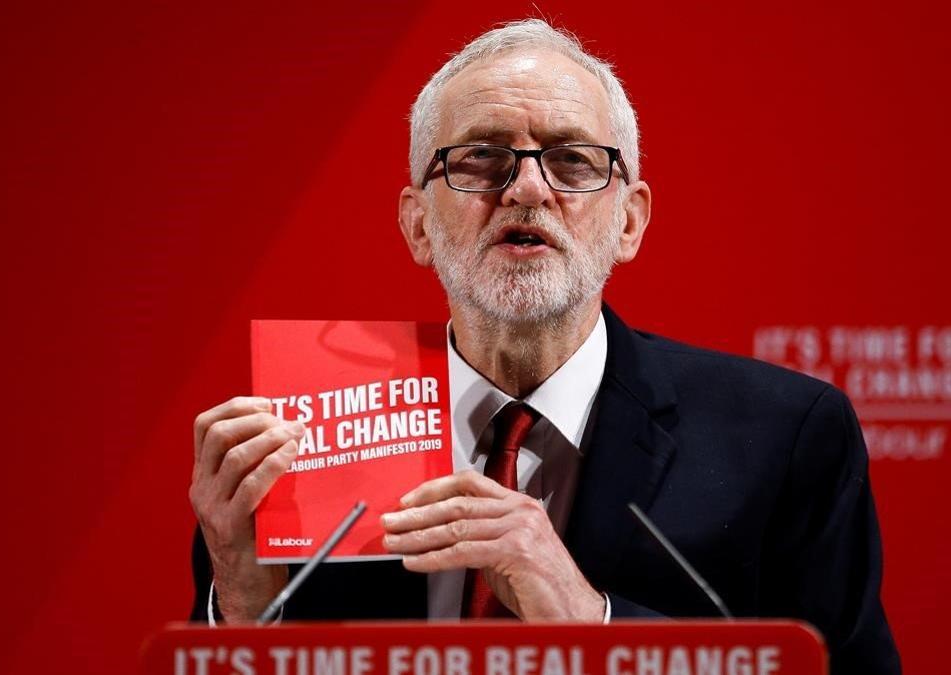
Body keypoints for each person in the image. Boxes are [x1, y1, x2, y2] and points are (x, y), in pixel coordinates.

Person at [188, 18, 901, 674]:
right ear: (417, 225)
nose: (527, 188)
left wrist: (592, 621)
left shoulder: (783, 441)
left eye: (572, 160)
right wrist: (248, 611)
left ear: (629, 221)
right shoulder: (306, 444)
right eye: (480, 158)